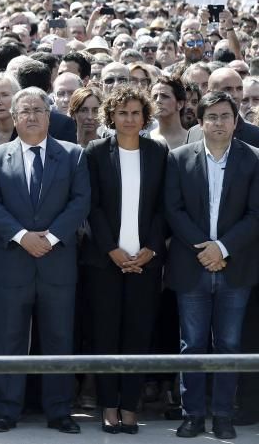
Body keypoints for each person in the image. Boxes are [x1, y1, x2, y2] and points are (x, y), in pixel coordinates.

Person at [0, 87, 91, 434]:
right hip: (14, 260)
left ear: (49, 115)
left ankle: (59, 411)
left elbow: (80, 202)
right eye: (24, 111)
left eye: (37, 110)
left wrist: (51, 237)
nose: (31, 116)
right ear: (13, 118)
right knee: (9, 338)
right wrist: (22, 237)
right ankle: (6, 410)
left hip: (57, 263)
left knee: (59, 338)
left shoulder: (73, 155)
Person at [165, 91, 259, 441]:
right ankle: (193, 415)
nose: (219, 123)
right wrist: (204, 249)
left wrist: (222, 248)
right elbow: (173, 210)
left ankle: (222, 415)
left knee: (230, 343)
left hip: (235, 267)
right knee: (192, 342)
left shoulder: (254, 159)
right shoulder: (178, 158)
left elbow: (255, 214)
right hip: (193, 265)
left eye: (225, 116)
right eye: (212, 117)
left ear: (236, 121)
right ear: (200, 121)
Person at [85, 85, 167, 434]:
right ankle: (108, 405)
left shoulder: (158, 152)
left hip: (145, 262)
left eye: (135, 113)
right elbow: (93, 206)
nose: (129, 119)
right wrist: (112, 250)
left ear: (145, 117)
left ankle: (130, 406)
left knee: (138, 333)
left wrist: (150, 249)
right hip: (106, 262)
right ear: (111, 117)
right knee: (105, 334)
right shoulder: (95, 152)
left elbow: (165, 206)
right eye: (122, 113)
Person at [150, 77, 188, 150]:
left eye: (164, 96)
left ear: (180, 104)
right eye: (154, 97)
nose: (158, 101)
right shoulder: (145, 139)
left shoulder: (193, 140)